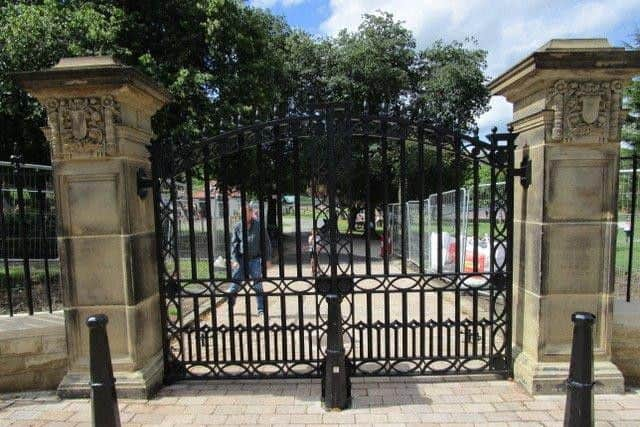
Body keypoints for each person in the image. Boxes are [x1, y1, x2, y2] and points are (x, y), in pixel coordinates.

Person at [227, 201, 271, 316]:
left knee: (257, 285)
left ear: (251, 212)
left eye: (246, 212)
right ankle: (231, 303)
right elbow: (234, 245)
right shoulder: (237, 226)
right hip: (241, 260)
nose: (244, 215)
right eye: (242, 213)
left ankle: (261, 309)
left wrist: (267, 259)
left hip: (255, 260)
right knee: (235, 284)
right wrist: (234, 260)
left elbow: (266, 243)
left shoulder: (259, 225)